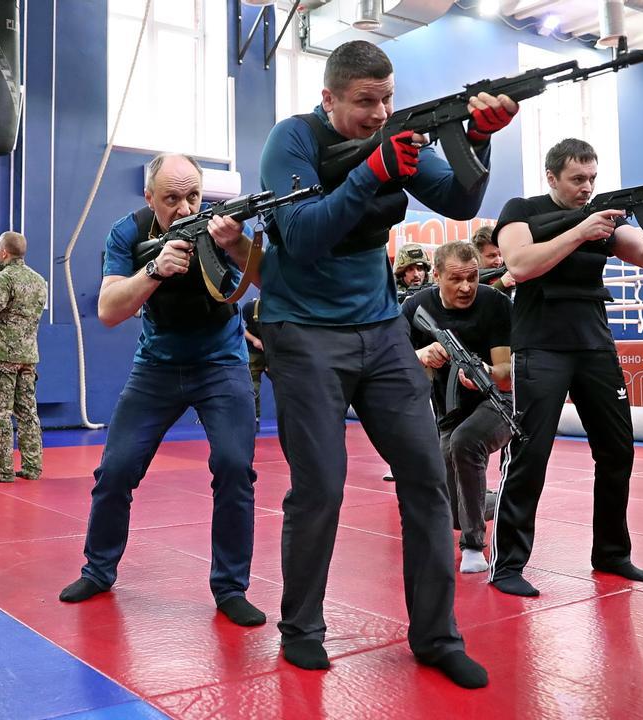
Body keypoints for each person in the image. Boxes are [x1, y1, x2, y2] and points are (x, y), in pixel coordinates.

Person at [257, 39, 517, 687]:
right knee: (320, 485)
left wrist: (477, 142)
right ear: (330, 99)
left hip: (377, 330)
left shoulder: (397, 136)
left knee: (426, 476)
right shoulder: (290, 142)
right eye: (364, 102)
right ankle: (303, 629)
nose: (379, 114)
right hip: (304, 332)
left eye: (387, 100)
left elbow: (459, 200)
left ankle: (435, 636)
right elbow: (304, 237)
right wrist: (371, 172)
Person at [57, 153, 265, 628]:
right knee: (115, 470)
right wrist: (154, 270)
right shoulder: (127, 233)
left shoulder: (221, 227)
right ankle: (98, 569)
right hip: (156, 368)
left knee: (235, 468)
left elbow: (269, 283)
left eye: (193, 195)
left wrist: (237, 246)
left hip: (221, 365)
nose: (186, 207)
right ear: (149, 197)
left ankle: (231, 588)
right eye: (172, 198)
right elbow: (109, 310)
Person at [488, 138, 643, 597]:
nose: (586, 188)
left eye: (592, 179)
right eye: (577, 179)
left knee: (617, 452)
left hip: (594, 345)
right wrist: (581, 230)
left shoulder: (602, 217)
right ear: (552, 177)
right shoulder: (521, 209)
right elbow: (520, 264)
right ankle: (508, 565)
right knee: (529, 455)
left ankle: (611, 553)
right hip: (540, 346)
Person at [401, 242, 512, 575]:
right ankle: (492, 502)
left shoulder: (495, 303)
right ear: (436, 276)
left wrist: (486, 375)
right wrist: (420, 356)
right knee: (448, 499)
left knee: (465, 444)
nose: (466, 287)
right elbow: (388, 361)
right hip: (449, 412)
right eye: (456, 279)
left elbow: (506, 376)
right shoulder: (416, 307)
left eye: (473, 277)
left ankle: (474, 544)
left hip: (498, 403)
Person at [0, 231, 48, 483]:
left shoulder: (3, 279)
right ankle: (32, 467)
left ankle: (4, 471)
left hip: (2, 357)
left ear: (4, 252)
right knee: (28, 412)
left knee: (0, 414)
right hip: (29, 357)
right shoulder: (39, 281)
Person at [240, 295, 266, 431]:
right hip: (253, 352)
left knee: (284, 386)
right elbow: (240, 327)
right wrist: (255, 340)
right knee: (253, 387)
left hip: (273, 352)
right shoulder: (250, 307)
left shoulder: (282, 307)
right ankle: (254, 419)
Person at [471, 225, 516, 294]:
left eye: (501, 254)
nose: (499, 261)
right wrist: (501, 284)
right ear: (476, 256)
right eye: (492, 256)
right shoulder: (469, 276)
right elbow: (477, 301)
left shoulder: (508, 266)